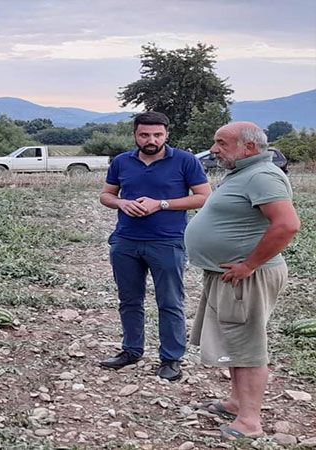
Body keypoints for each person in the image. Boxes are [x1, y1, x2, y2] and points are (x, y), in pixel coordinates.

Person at [185, 122, 299, 440]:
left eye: (221, 143)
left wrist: (249, 265)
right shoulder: (243, 173)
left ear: (248, 147)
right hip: (230, 276)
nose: (215, 149)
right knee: (235, 341)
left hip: (247, 277)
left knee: (248, 346)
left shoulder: (263, 175)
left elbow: (287, 225)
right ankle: (237, 403)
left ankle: (249, 422)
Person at [99, 111, 212, 381]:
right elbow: (106, 195)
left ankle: (171, 358)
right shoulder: (122, 162)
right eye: (145, 134)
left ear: (166, 134)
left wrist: (160, 204)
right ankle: (131, 350)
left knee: (170, 301)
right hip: (126, 240)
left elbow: (204, 197)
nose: (151, 140)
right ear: (135, 135)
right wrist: (121, 203)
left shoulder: (185, 161)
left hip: (168, 241)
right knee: (129, 300)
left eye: (157, 134)